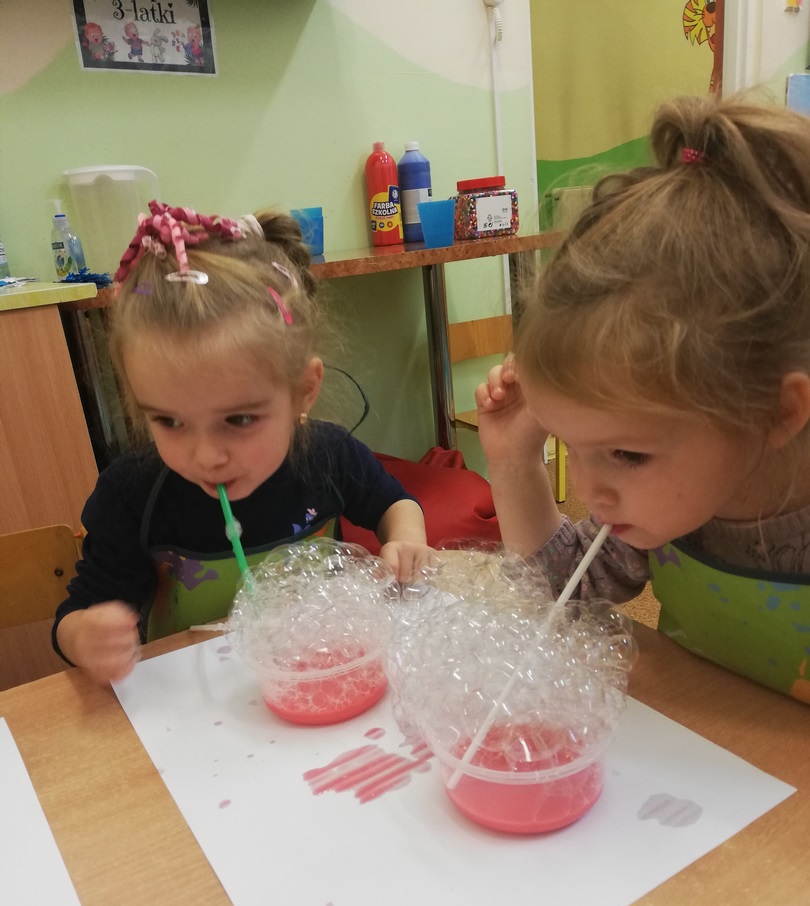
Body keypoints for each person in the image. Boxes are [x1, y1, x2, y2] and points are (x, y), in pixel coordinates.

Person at [475, 94, 810, 702]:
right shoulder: (657, 501)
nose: (590, 490)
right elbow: (564, 599)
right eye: (571, 446)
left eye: (627, 454)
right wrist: (514, 460)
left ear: (776, 410)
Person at [54, 201, 432, 684]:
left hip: (320, 675)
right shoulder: (132, 496)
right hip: (198, 702)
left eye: (240, 419)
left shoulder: (327, 456)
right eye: (169, 421)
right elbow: (74, 616)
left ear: (304, 390)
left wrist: (406, 539)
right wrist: (85, 636)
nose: (207, 456)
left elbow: (395, 504)